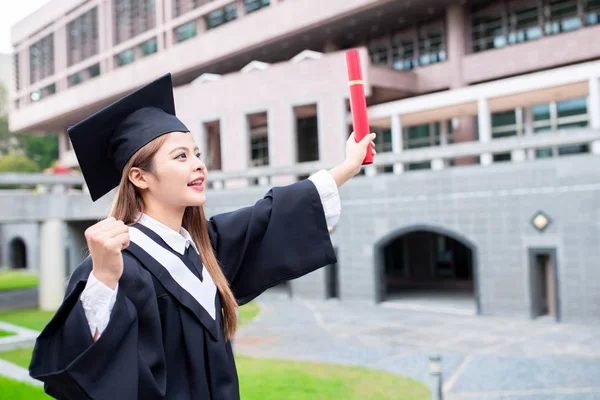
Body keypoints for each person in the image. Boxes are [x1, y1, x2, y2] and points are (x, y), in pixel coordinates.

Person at [28, 73, 376, 400]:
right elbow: (77, 369)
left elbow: (272, 214)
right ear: (139, 177)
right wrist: (103, 278)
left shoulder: (206, 245)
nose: (199, 165)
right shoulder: (118, 264)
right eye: (181, 156)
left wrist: (347, 166)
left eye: (196, 153)